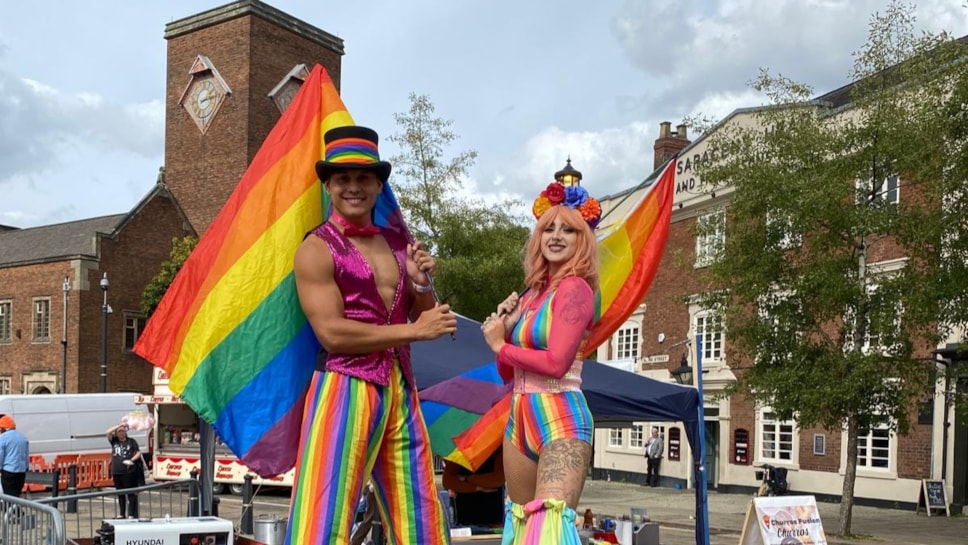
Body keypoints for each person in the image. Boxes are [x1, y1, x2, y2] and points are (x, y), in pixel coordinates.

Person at [288, 125, 457, 544]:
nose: (353, 187)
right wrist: (414, 330)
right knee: (321, 516)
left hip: (400, 387)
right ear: (328, 185)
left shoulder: (398, 245)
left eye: (363, 177)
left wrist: (418, 285)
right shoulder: (315, 248)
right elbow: (332, 334)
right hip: (344, 385)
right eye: (343, 178)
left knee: (422, 514)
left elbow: (426, 316)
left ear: (378, 185)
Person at [481, 174, 602, 544]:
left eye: (568, 230)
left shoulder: (576, 289)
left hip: (561, 415)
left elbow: (556, 363)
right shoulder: (532, 295)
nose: (556, 236)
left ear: (582, 240)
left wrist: (501, 344)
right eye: (548, 228)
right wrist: (509, 327)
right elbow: (507, 373)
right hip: (520, 416)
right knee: (520, 529)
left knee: (548, 533)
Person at [442, 447, 506, 528]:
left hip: (493, 518)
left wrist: (467, 479)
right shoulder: (460, 450)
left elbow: (498, 479)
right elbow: (447, 481)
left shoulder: (497, 448)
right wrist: (478, 487)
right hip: (466, 517)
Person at [106, 423, 142, 518]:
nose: (121, 433)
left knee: (131, 493)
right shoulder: (114, 441)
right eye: (119, 431)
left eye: (123, 431)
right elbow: (107, 432)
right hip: (117, 471)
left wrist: (131, 460)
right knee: (120, 493)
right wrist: (119, 425)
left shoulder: (131, 441)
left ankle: (131, 514)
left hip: (128, 471)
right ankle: (122, 513)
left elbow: (138, 452)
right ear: (116, 433)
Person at [0, 415, 29, 499]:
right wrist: (26, 468)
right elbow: (26, 456)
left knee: (9, 497)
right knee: (16, 495)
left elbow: (0, 455)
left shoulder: (3, 438)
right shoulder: (23, 437)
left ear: (3, 428)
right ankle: (16, 511)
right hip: (21, 473)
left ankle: (15, 512)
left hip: (9, 472)